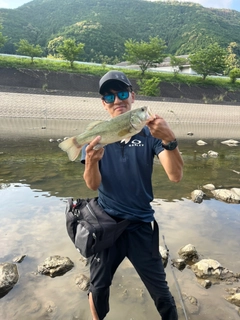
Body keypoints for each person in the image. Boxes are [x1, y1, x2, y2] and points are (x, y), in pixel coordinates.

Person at [81, 70, 184, 320]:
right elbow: (92, 185)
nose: (117, 100)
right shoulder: (97, 137)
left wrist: (170, 139)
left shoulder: (151, 133)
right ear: (103, 104)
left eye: (123, 93)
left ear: (133, 97)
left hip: (140, 225)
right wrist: (91, 162)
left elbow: (175, 176)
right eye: (109, 97)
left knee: (162, 293)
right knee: (98, 288)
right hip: (107, 225)